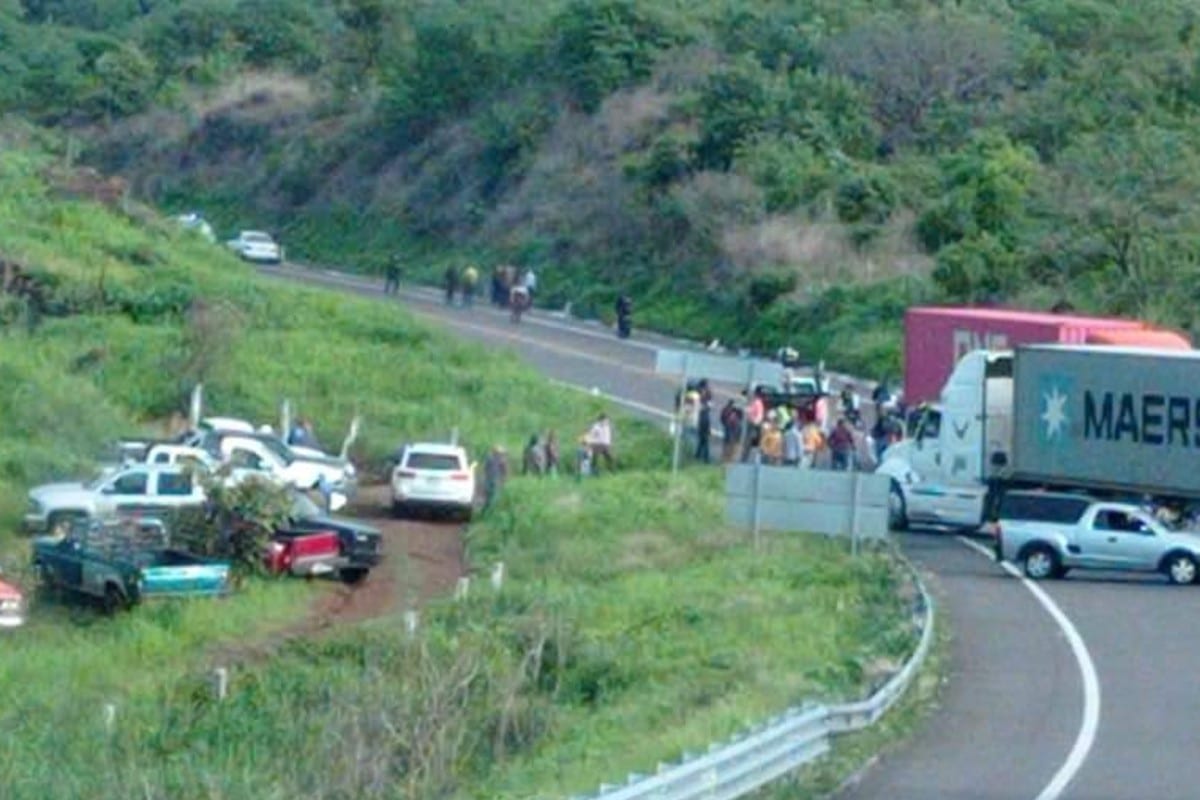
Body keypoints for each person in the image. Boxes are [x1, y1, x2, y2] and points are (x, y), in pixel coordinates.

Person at [741, 387, 766, 462]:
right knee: (749, 444)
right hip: (753, 425)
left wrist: (755, 422)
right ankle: (745, 459)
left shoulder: (757, 402)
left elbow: (758, 415)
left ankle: (746, 459)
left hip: (754, 426)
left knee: (750, 444)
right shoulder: (756, 402)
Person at [483, 445, 509, 510]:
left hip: (494, 479)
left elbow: (504, 471)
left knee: (492, 494)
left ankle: (489, 508)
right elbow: (505, 471)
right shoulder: (491, 458)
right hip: (491, 479)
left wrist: (503, 479)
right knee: (490, 494)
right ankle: (488, 508)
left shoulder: (500, 460)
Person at [696, 398, 712, 464]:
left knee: (700, 444)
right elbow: (706, 424)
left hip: (701, 431)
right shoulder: (705, 416)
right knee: (706, 446)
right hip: (704, 432)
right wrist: (708, 431)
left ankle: (697, 455)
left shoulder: (702, 413)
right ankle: (706, 459)